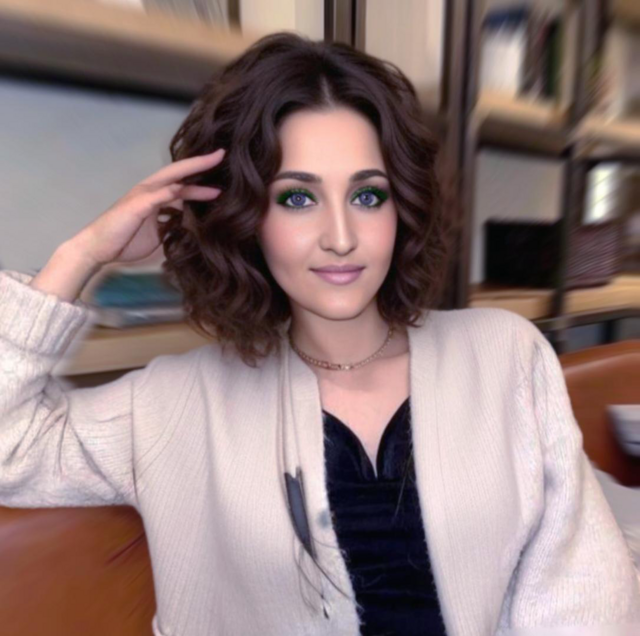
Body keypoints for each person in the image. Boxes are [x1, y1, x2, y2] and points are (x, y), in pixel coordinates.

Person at [1, 31, 639, 636]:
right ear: (247, 216)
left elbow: (581, 592)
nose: (340, 236)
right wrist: (82, 255)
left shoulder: (504, 355)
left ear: (402, 207)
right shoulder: (175, 404)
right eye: (297, 199)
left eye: (368, 196)